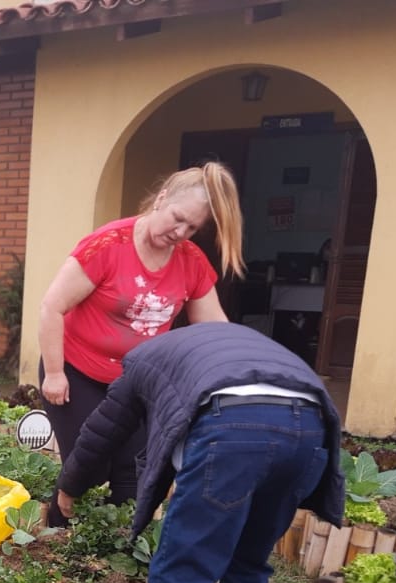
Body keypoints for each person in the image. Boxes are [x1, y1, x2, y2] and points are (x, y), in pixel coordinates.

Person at [54, 322, 344, 583]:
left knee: (182, 572)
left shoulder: (143, 359)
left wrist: (69, 486)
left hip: (234, 426)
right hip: (310, 425)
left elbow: (103, 431)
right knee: (249, 564)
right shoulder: (226, 344)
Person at [38, 162, 245, 526]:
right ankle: (56, 530)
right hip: (77, 370)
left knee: (133, 471)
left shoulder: (190, 263)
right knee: (91, 463)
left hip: (136, 381)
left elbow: (215, 332)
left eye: (192, 228)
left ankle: (121, 549)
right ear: (161, 198)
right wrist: (54, 373)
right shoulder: (107, 245)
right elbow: (52, 306)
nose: (180, 232)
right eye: (177, 218)